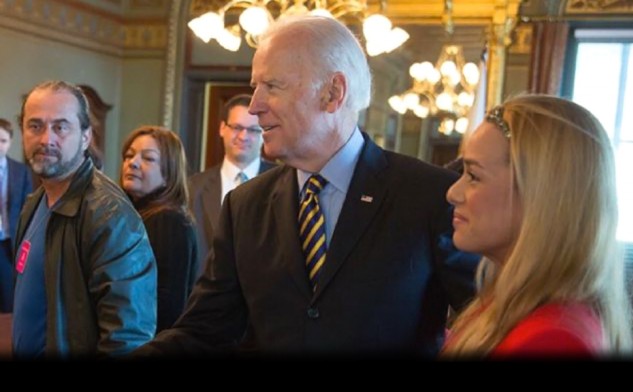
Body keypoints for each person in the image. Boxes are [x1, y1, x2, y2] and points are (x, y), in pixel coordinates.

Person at [136, 15, 477, 357]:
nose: (254, 106)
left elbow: (485, 322)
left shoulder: (431, 195)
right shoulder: (246, 205)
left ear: (332, 93)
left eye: (271, 86)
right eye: (255, 86)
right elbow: (205, 331)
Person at [441, 94, 633, 358]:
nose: (453, 193)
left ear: (540, 195)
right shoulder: (511, 302)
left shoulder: (553, 338)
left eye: (474, 176)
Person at [13, 80, 157, 359]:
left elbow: (127, 338)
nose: (46, 139)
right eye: (35, 126)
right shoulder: (35, 203)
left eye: (61, 127)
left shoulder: (110, 215)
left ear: (86, 137)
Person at [121, 125, 199, 333]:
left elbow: (168, 305)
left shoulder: (169, 221)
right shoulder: (130, 215)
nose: (133, 163)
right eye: (129, 155)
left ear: (168, 173)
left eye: (148, 158)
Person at [189, 94, 275, 273]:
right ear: (222, 128)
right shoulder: (193, 187)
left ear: (263, 134)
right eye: (237, 127)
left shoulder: (284, 183)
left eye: (253, 130)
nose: (244, 136)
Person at [0, 118, 33, 313]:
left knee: (7, 299)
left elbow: (27, 209)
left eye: (3, 141)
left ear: (10, 142)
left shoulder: (21, 171)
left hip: (8, 243)